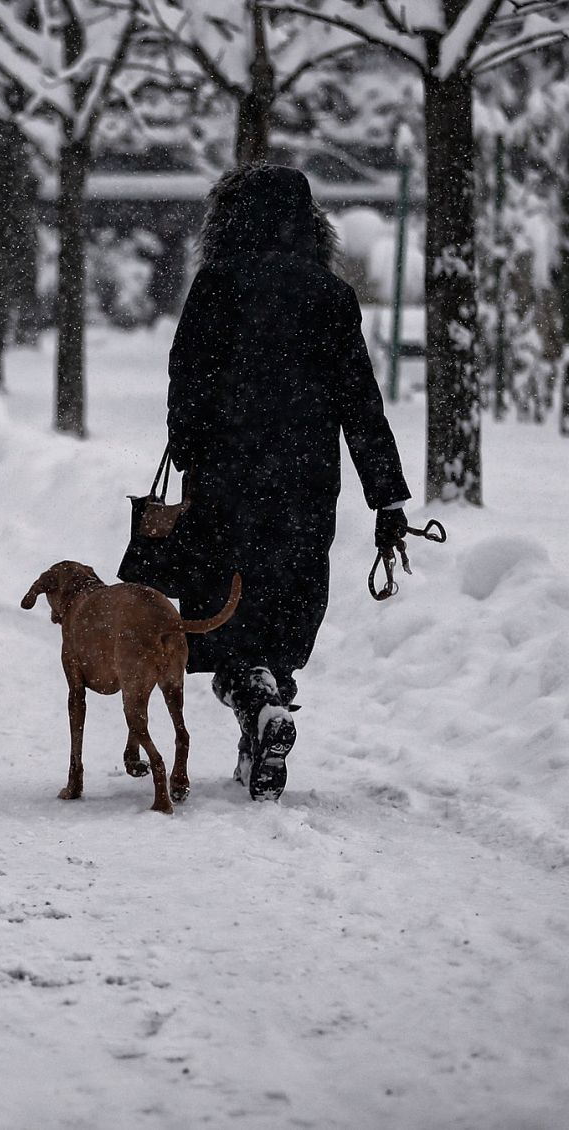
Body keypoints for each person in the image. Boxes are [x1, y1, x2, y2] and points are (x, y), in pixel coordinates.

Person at [166, 163, 411, 802]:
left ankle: (253, 701)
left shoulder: (216, 285)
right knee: (285, 601)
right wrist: (386, 493)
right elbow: (361, 402)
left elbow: (187, 374)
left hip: (227, 478)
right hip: (306, 482)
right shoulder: (329, 295)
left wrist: (186, 445)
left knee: (225, 606)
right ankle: (268, 706)